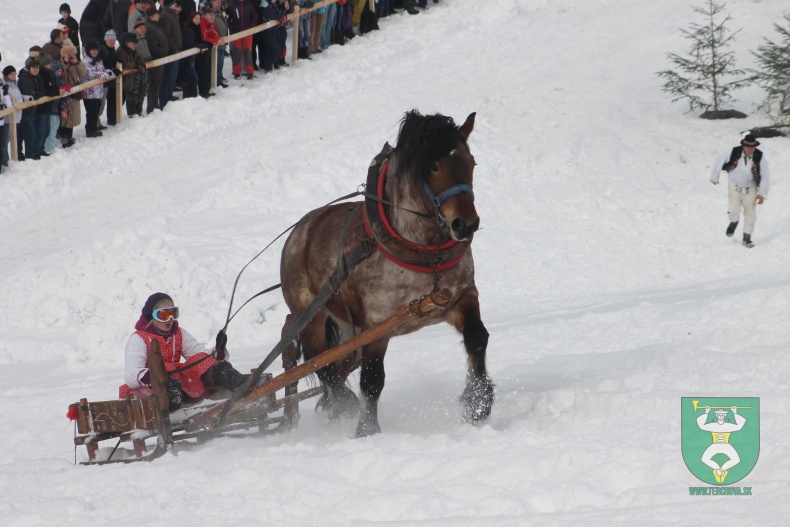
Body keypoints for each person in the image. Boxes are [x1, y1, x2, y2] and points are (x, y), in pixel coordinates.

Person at [119, 292, 246, 411]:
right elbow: (131, 375)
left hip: (178, 381)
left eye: (173, 313)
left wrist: (218, 350)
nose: (169, 319)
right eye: (163, 315)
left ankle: (239, 383)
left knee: (203, 360)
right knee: (165, 378)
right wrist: (154, 375)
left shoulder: (179, 333)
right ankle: (172, 399)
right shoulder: (138, 338)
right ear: (151, 316)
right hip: (150, 387)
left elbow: (201, 357)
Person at [710, 134, 772, 248]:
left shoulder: (759, 156)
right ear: (743, 146)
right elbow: (720, 160)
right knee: (734, 210)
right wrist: (714, 176)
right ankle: (734, 221)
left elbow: (765, 175)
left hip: (751, 188)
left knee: (750, 214)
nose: (750, 149)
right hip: (734, 186)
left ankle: (747, 238)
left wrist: (762, 193)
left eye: (752, 147)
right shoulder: (734, 152)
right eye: (748, 147)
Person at [82, 40, 112, 137]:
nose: (94, 52)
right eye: (92, 50)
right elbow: (90, 74)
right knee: (91, 111)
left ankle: (94, 126)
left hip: (98, 91)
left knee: (97, 110)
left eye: (96, 50)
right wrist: (103, 75)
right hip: (89, 92)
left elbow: (103, 70)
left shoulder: (99, 60)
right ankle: (90, 129)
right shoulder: (85, 61)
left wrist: (108, 72)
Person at [59, 42, 87, 147]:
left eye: (72, 55)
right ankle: (63, 136)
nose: (70, 58)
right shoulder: (61, 66)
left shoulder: (76, 65)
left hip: (74, 92)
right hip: (64, 94)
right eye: (68, 56)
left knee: (73, 114)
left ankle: (69, 135)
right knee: (65, 115)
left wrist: (77, 63)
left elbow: (84, 73)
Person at [181, 11, 213, 98]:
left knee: (200, 73)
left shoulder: (199, 28)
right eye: (196, 18)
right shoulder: (188, 29)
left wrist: (206, 44)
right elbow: (192, 43)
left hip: (197, 55)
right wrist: (205, 45)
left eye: (199, 19)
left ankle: (198, 93)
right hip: (189, 56)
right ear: (191, 19)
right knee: (191, 76)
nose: (197, 20)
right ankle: (189, 95)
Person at [116, 32, 148, 117]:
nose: (135, 44)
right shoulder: (121, 51)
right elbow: (125, 64)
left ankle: (138, 111)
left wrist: (141, 64)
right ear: (127, 43)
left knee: (141, 92)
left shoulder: (133, 51)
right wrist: (137, 66)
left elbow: (140, 59)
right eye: (133, 43)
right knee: (132, 95)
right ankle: (132, 113)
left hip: (135, 77)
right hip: (128, 79)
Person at [158, 0, 183, 110]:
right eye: (174, 4)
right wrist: (173, 47)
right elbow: (166, 35)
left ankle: (168, 95)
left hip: (176, 49)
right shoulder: (165, 15)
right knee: (167, 76)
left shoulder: (172, 14)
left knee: (173, 76)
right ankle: (164, 99)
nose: (176, 5)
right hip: (171, 51)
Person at [17, 58, 42, 160]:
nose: (36, 70)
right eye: (33, 68)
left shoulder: (35, 77)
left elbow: (41, 90)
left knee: (26, 133)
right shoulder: (25, 79)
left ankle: (26, 154)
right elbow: (30, 94)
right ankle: (27, 155)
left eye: (37, 68)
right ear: (28, 68)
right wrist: (36, 93)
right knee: (29, 133)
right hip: (24, 111)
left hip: (31, 110)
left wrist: (37, 93)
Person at [145, 7, 169, 113]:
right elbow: (153, 46)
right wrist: (162, 52)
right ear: (151, 17)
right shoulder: (149, 28)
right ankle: (152, 107)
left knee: (157, 83)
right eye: (156, 15)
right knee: (154, 84)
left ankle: (155, 105)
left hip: (160, 58)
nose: (159, 16)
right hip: (155, 59)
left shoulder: (156, 26)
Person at [226, 0, 257, 80]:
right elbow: (228, 18)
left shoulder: (249, 5)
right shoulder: (232, 5)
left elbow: (254, 17)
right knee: (237, 53)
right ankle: (236, 72)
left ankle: (250, 72)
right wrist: (232, 28)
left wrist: (251, 25)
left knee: (248, 53)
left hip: (247, 33)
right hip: (236, 33)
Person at [1, 66, 24, 168]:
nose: (14, 75)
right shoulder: (5, 86)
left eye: (15, 73)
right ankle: (4, 162)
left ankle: (5, 162)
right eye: (11, 74)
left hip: (15, 116)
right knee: (4, 142)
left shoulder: (15, 84)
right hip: (6, 119)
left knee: (9, 140)